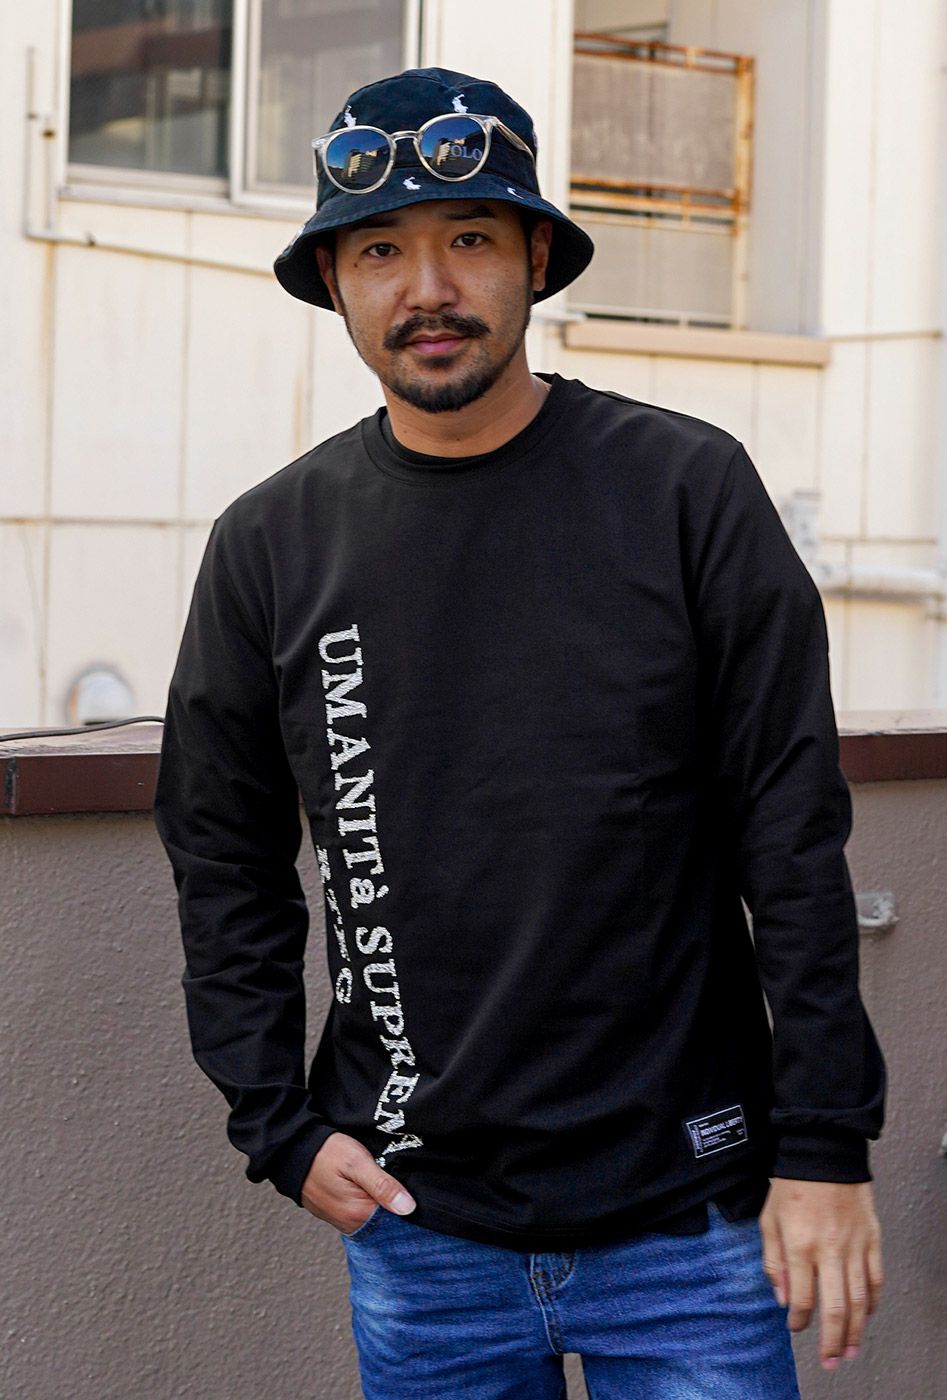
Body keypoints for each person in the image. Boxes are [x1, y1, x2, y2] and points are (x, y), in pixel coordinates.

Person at [154, 66, 886, 1400]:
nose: (427, 289)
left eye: (470, 239)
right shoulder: (271, 545)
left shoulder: (686, 489)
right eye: (380, 251)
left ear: (536, 258)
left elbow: (791, 830)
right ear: (336, 283)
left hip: (692, 1216)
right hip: (421, 1231)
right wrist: (275, 1123)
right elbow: (221, 853)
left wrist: (827, 1143)